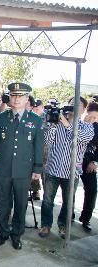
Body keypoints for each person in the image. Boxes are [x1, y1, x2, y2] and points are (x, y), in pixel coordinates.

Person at [0, 82, 43, 250]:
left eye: (20, 96)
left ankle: (16, 234)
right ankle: (3, 232)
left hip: (23, 170)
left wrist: (37, 169)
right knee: (3, 202)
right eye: (13, 95)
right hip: (4, 168)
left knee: (21, 204)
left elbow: (38, 147)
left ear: (27, 98)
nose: (16, 99)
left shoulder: (35, 120)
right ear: (10, 98)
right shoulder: (1, 118)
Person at [39, 96, 94, 239]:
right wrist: (53, 123)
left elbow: (82, 138)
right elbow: (47, 141)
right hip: (53, 169)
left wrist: (67, 124)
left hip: (71, 172)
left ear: (83, 110)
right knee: (47, 201)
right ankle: (46, 225)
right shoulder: (57, 123)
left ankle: (63, 227)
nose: (74, 107)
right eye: (71, 104)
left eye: (78, 105)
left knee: (68, 203)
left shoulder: (87, 127)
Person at [79, 102, 98, 231]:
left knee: (92, 190)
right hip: (72, 160)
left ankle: (86, 218)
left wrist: (95, 162)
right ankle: (68, 215)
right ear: (85, 111)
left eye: (95, 118)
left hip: (88, 162)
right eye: (90, 116)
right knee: (69, 190)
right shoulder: (75, 122)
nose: (92, 120)